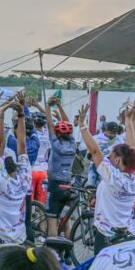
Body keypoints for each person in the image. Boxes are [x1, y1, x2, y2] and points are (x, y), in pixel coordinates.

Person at [75, 102, 135, 253]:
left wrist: (82, 125)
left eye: (110, 157)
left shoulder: (112, 177)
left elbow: (94, 151)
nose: (108, 159)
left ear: (118, 160)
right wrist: (129, 120)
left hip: (106, 234)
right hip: (127, 232)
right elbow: (132, 149)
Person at [0, 96, 31, 245]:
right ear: (17, 166)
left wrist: (0, 113)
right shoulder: (25, 179)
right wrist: (21, 115)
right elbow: (22, 143)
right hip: (18, 238)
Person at [42, 100, 79, 238]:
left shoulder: (56, 144)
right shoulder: (73, 144)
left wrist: (47, 106)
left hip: (55, 185)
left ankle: (52, 250)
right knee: (66, 220)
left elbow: (50, 124)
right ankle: (69, 253)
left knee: (52, 221)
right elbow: (68, 123)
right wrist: (59, 106)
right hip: (68, 185)